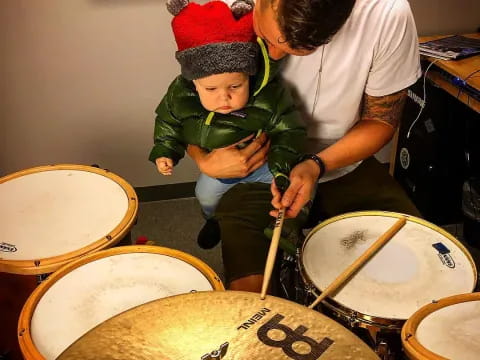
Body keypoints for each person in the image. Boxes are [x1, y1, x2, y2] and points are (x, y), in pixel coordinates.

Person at [187, 0, 423, 292]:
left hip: (342, 159)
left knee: (418, 257)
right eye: (271, 40)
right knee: (249, 296)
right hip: (259, 162)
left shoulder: (388, 12)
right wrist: (203, 159)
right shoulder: (222, 9)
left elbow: (381, 121)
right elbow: (184, 104)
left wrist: (315, 164)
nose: (272, 56)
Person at [149, 0, 306, 249]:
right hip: (218, 168)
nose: (224, 98)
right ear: (194, 83)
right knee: (205, 195)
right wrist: (165, 152)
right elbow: (168, 123)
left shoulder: (268, 93)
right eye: (210, 89)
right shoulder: (180, 94)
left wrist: (281, 167)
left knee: (292, 195)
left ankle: (285, 230)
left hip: (265, 164)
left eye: (235, 86)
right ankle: (214, 221)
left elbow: (290, 130)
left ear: (249, 77)